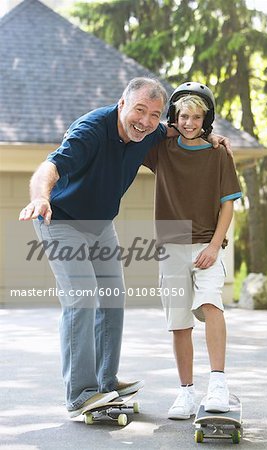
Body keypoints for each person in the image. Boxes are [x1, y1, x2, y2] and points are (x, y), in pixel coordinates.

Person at [19, 77, 231, 418]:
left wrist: (212, 137)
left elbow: (181, 129)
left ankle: (106, 380)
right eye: (139, 111)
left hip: (100, 224)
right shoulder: (91, 130)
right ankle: (80, 393)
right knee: (83, 298)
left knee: (113, 296)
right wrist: (40, 197)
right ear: (122, 104)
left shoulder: (151, 131)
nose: (145, 121)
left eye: (154, 115)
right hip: (61, 221)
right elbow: (51, 167)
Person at [143, 82, 242, 420]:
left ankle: (218, 384)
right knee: (179, 321)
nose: (189, 123)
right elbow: (136, 132)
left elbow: (228, 206)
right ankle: (186, 392)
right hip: (171, 240)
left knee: (212, 304)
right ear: (175, 117)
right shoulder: (161, 150)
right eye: (183, 116)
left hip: (206, 243)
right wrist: (167, 129)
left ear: (206, 120)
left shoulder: (218, 154)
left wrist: (215, 246)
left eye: (197, 118)